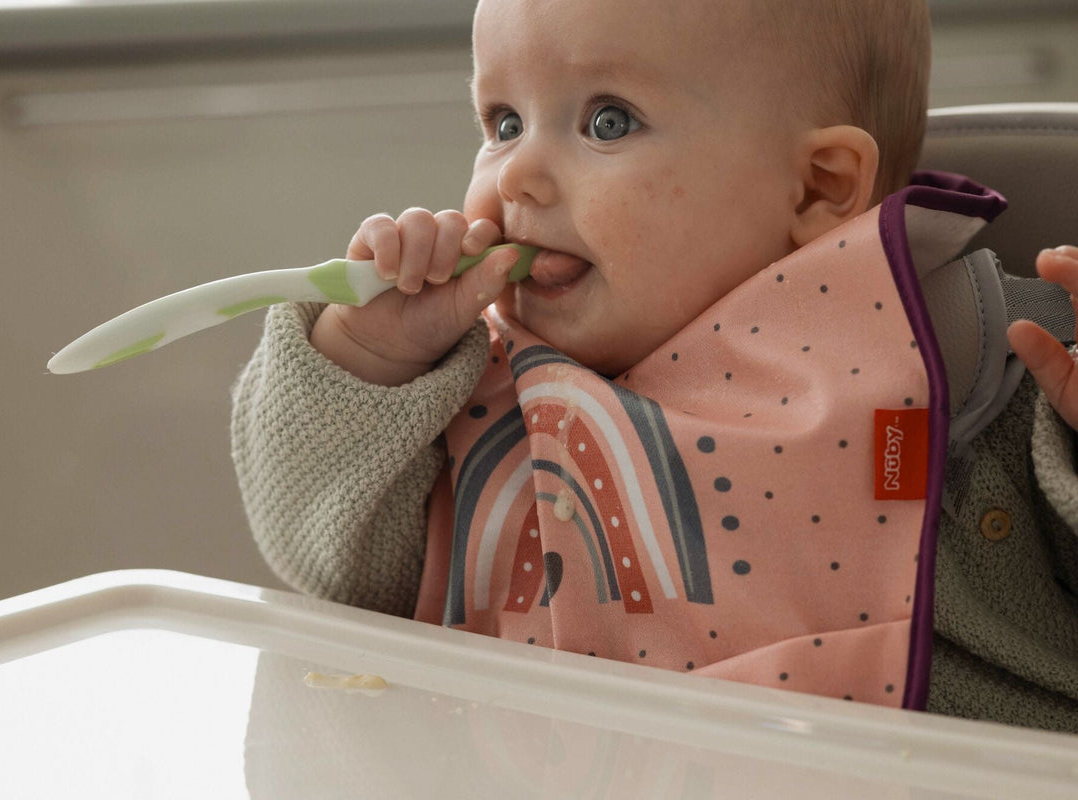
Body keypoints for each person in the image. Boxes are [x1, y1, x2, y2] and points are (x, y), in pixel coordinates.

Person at [231, 0, 1078, 731]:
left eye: (608, 121)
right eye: (503, 123)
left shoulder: (967, 362)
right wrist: (369, 360)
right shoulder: (471, 386)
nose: (517, 172)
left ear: (818, 188)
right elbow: (326, 563)